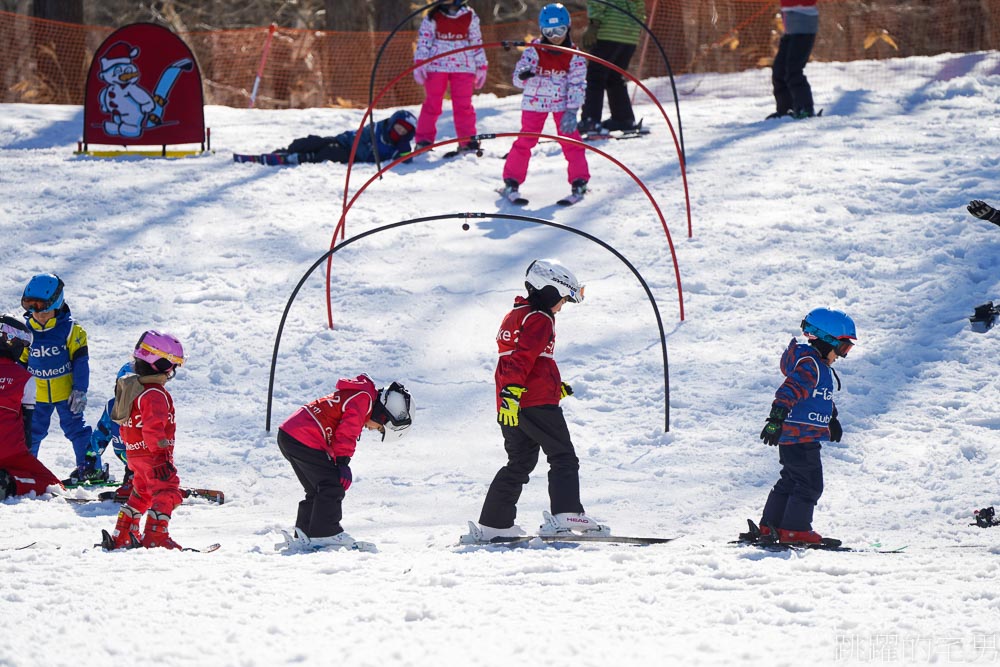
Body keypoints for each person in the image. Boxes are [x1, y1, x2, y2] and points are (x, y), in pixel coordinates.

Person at [462, 259, 608, 544]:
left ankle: (495, 524)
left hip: (513, 404)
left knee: (519, 462)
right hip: (533, 401)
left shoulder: (516, 314)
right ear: (549, 291)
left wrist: (548, 387)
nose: (561, 307)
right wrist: (519, 391)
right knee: (563, 455)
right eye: (562, 300)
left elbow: (521, 360)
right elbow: (524, 358)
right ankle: (567, 513)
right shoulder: (540, 318)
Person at [749, 308, 857, 546]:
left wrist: (832, 419)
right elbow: (789, 391)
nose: (841, 356)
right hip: (800, 436)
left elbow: (820, 398)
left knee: (790, 480)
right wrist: (775, 419)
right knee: (809, 484)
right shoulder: (810, 365)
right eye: (843, 348)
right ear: (826, 340)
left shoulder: (818, 366)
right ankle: (795, 530)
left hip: (799, 436)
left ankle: (771, 526)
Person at [275, 375, 413, 553]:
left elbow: (337, 429)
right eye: (379, 428)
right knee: (331, 486)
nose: (371, 429)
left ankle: (306, 535)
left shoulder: (360, 397)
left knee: (317, 489)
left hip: (292, 435)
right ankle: (326, 532)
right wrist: (342, 463)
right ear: (382, 414)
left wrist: (337, 463)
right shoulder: (364, 399)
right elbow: (347, 431)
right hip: (304, 435)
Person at [103, 331, 187, 550]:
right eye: (171, 366)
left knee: (141, 493)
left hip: (135, 455)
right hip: (152, 457)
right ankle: (155, 536)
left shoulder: (134, 391)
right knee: (169, 491)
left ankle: (123, 532)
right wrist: (160, 458)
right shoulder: (155, 394)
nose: (171, 373)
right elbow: (153, 430)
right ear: (158, 364)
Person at [500, 4, 590, 203]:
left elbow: (577, 84)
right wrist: (524, 76)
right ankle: (511, 180)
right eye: (549, 32)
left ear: (567, 28)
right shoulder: (533, 51)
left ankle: (579, 181)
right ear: (542, 31)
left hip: (561, 104)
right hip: (534, 103)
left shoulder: (574, 55)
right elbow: (517, 78)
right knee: (526, 140)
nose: (555, 36)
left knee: (572, 141)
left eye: (559, 30)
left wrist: (572, 110)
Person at [19, 274, 101, 484]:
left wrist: (80, 390)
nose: (39, 315)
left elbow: (81, 363)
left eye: (44, 310)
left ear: (57, 304)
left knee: (77, 431)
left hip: (66, 394)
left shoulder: (71, 330)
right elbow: (20, 365)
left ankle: (89, 469)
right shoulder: (25, 332)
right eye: (32, 309)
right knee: (30, 433)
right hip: (35, 397)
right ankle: (25, 470)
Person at [412, 0, 488, 155]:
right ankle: (424, 141)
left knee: (463, 105)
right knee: (432, 103)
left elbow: (476, 41)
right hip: (437, 65)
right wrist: (420, 62)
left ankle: (467, 141)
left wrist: (481, 65)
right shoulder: (434, 16)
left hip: (463, 66)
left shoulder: (469, 15)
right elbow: (424, 41)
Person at [0, 314, 62, 500]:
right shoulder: (25, 378)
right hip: (9, 448)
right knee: (51, 484)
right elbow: (27, 428)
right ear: (14, 343)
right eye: (24, 345)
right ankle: (10, 484)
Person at [579, 0, 646, 135]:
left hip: (608, 31)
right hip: (630, 34)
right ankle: (623, 118)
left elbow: (598, 2)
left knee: (595, 76)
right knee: (614, 77)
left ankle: (590, 120)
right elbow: (640, 6)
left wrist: (594, 23)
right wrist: (636, 27)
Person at [257, 110, 417, 165]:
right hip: (345, 141)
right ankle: (287, 151)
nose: (400, 132)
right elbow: (361, 137)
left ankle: (298, 158)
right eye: (398, 128)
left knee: (329, 153)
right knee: (314, 141)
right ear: (392, 124)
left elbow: (405, 160)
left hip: (351, 156)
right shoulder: (378, 129)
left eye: (404, 132)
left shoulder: (399, 146)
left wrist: (404, 147)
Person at [90, 361, 136, 502]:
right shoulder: (112, 407)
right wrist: (90, 459)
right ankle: (133, 483)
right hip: (129, 463)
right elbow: (101, 435)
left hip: (146, 462)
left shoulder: (144, 407)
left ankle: (145, 485)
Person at [766, 0, 819, 120]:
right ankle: (786, 110)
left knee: (793, 70)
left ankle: (805, 109)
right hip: (790, 29)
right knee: (779, 70)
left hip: (804, 27)